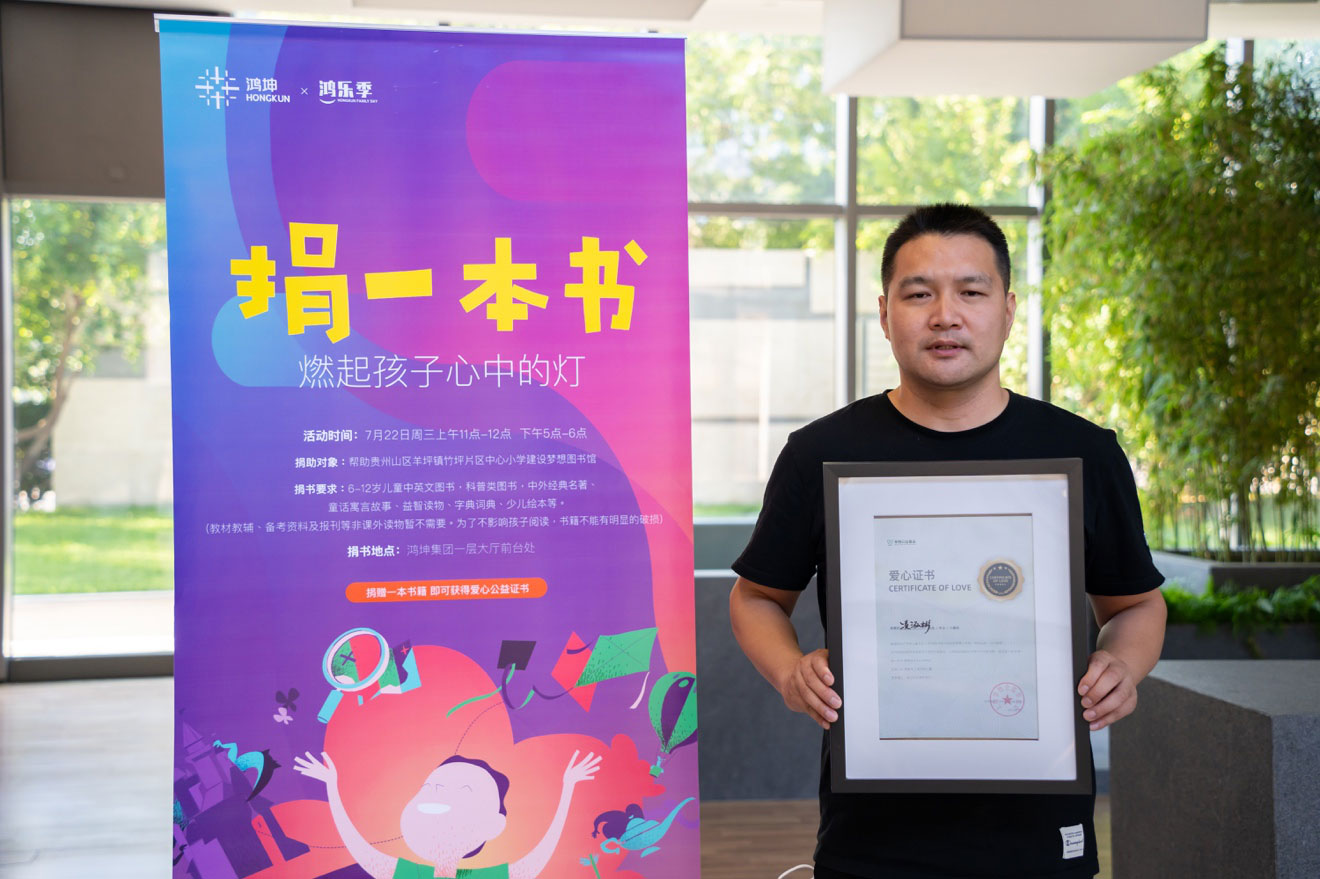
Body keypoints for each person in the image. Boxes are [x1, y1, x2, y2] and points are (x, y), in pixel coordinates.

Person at [729, 203, 1167, 879]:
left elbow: (1135, 605)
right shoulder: (820, 453)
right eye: (918, 294)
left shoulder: (1082, 453)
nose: (945, 315)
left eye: (971, 291)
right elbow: (756, 596)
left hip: (1038, 834)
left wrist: (1122, 666)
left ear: (1008, 310)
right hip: (872, 837)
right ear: (885, 314)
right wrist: (790, 671)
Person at [294, 748, 601, 879]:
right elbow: (360, 850)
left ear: (494, 825)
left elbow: (535, 862)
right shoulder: (411, 874)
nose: (439, 798)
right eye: (431, 788)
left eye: (464, 792)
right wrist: (332, 786)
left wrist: (567, 789)